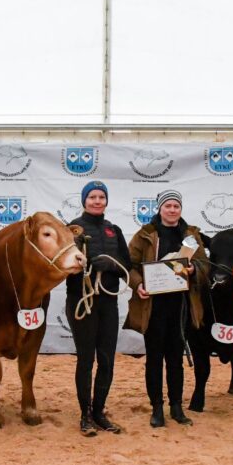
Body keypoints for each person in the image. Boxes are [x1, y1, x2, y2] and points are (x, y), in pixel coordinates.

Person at [125, 189, 207, 429]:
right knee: (154, 358)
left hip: (180, 306)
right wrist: (138, 283)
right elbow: (129, 265)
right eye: (168, 206)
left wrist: (194, 271)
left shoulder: (191, 235)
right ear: (159, 208)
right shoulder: (146, 234)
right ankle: (157, 408)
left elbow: (204, 265)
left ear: (180, 209)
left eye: (176, 206)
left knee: (175, 359)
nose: (172, 210)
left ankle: (176, 407)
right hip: (153, 305)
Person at [65, 181, 130, 436]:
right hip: (82, 300)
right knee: (85, 359)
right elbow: (65, 263)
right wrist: (90, 262)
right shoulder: (73, 229)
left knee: (106, 359)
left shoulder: (114, 230)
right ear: (84, 200)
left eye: (101, 197)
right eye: (92, 196)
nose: (97, 201)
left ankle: (99, 411)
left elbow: (127, 263)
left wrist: (111, 265)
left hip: (108, 302)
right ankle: (84, 414)